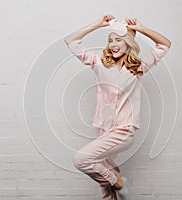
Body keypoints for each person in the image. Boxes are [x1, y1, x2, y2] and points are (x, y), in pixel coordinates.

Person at [64, 14, 171, 200]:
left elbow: (164, 45)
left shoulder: (137, 68)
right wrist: (98, 24)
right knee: (107, 189)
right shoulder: (98, 63)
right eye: (110, 40)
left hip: (123, 131)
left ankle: (119, 182)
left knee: (81, 159)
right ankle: (116, 188)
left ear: (128, 43)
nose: (113, 44)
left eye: (118, 40)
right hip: (104, 131)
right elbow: (71, 41)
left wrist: (141, 29)